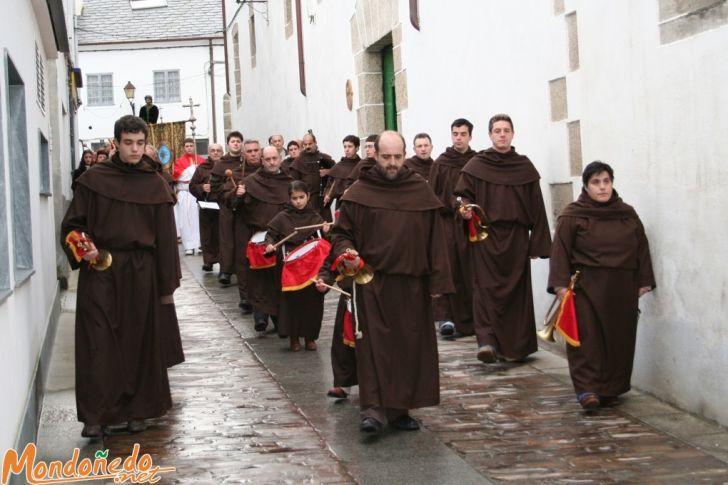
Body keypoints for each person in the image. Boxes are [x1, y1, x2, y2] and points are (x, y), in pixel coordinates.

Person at [60, 115, 180, 439]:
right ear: (116, 143)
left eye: (140, 143)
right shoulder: (93, 180)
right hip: (101, 268)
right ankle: (96, 416)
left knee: (138, 341)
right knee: (97, 340)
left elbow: (166, 238)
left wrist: (166, 286)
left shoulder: (155, 184)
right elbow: (73, 225)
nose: (135, 149)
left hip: (142, 271)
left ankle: (138, 412)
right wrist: (85, 249)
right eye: (128, 143)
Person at [331, 131, 453, 435]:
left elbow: (435, 239)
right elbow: (341, 232)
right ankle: (372, 409)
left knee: (407, 347)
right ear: (376, 155)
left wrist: (439, 282)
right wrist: (347, 251)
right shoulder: (359, 191)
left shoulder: (419, 190)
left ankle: (399, 410)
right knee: (373, 347)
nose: (393, 162)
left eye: (398, 156)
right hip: (370, 281)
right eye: (386, 156)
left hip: (412, 284)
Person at [548, 161, 655, 409]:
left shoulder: (627, 214)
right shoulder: (572, 215)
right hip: (586, 287)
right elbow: (560, 251)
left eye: (606, 181)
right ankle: (587, 389)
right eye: (596, 182)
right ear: (586, 186)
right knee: (587, 339)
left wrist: (644, 281)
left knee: (619, 339)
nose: (602, 187)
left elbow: (642, 248)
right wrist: (561, 285)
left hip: (622, 288)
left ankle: (611, 388)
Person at [454, 114, 551, 364]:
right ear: (490, 135)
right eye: (497, 130)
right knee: (485, 289)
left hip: (516, 239)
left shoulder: (524, 167)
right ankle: (487, 342)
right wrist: (465, 211)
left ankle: (515, 347)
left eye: (506, 130)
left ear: (513, 134)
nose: (502, 134)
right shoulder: (477, 165)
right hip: (486, 236)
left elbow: (537, 206)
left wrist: (538, 243)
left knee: (516, 294)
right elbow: (462, 196)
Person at [226, 145, 291, 331]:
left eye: (274, 158)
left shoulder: (288, 181)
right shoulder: (250, 181)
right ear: (262, 160)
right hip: (258, 237)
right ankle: (260, 316)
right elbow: (232, 204)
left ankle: (279, 319)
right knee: (259, 279)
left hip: (280, 239)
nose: (271, 162)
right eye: (267, 159)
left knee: (278, 280)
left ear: (280, 158)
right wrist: (236, 195)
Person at [266, 180, 330, 350]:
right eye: (294, 198)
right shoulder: (282, 217)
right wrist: (270, 245)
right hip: (290, 267)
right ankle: (293, 338)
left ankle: (310, 337)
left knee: (313, 302)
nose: (298, 201)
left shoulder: (316, 217)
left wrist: (326, 232)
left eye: (301, 197)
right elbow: (271, 235)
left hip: (311, 266)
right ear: (289, 199)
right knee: (291, 303)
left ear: (308, 196)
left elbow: (325, 241)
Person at [430, 119, 477, 338]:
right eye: (455, 133)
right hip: (448, 224)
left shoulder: (477, 162)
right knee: (450, 269)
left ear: (470, 136)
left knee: (471, 270)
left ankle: (473, 318)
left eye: (463, 134)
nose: (458, 137)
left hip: (471, 224)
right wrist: (452, 204)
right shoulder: (441, 163)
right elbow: (433, 195)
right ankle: (447, 318)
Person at [210, 131, 244, 287]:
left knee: (241, 239)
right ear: (228, 144)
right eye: (233, 141)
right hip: (227, 206)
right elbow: (214, 186)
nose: (236, 144)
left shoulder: (246, 161)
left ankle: (242, 270)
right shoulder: (221, 164)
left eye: (238, 141)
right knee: (227, 239)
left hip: (244, 207)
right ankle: (226, 271)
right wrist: (226, 194)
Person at [190, 143, 223, 272]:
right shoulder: (202, 168)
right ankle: (208, 261)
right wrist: (202, 187)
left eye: (218, 150)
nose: (215, 153)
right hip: (206, 205)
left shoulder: (226, 167)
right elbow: (192, 186)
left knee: (222, 234)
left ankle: (224, 261)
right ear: (209, 152)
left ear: (222, 152)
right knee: (207, 235)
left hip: (222, 206)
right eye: (213, 150)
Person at [289, 132, 334, 218]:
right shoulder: (298, 161)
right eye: (305, 144)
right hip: (308, 200)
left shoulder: (325, 158)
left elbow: (337, 174)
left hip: (323, 199)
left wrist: (328, 171)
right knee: (309, 228)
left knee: (327, 227)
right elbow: (294, 184)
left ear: (315, 142)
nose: (308, 146)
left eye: (310, 143)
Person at [174, 138, 204, 255]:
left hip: (197, 193)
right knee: (185, 220)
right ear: (184, 147)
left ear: (194, 147)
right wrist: (192, 169)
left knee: (197, 219)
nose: (189, 148)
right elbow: (179, 176)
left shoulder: (201, 160)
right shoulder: (179, 161)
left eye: (191, 145)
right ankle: (188, 246)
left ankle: (197, 244)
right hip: (185, 193)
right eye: (187, 146)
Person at [322, 135, 361, 209]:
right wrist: (328, 195)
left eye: (350, 146)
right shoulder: (339, 166)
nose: (347, 149)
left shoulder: (361, 165)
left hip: (357, 204)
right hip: (341, 204)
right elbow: (330, 185)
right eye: (345, 147)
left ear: (357, 148)